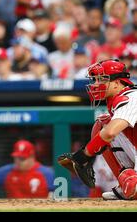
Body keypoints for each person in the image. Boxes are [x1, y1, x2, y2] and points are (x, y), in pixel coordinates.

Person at [58, 59, 137, 200]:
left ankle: (132, 184)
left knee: (106, 127)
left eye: (101, 80)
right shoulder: (119, 100)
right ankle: (127, 182)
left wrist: (83, 156)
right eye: (94, 80)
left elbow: (110, 132)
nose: (95, 85)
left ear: (117, 82)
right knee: (103, 122)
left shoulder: (132, 97)